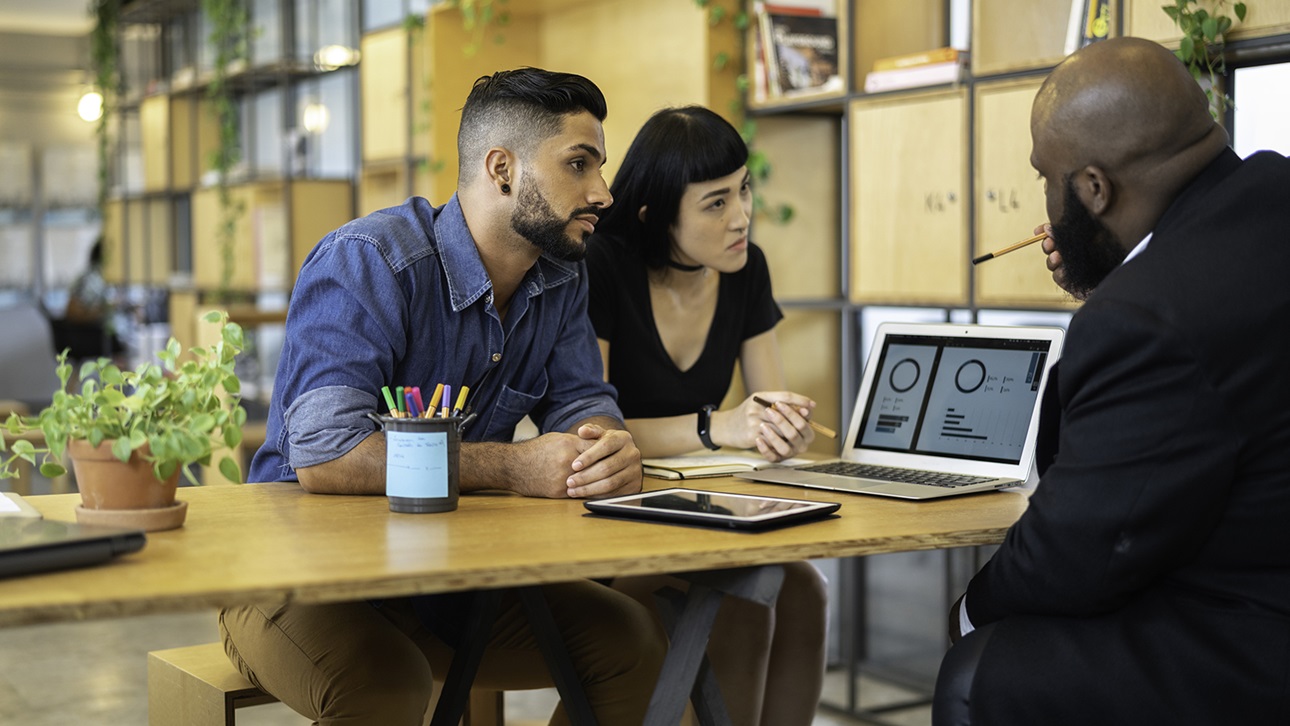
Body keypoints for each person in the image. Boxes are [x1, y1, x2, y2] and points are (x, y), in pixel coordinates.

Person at [219, 68, 667, 726]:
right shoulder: (368, 261)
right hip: (295, 576)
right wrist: (515, 466)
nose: (602, 192)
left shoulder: (561, 276)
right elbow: (327, 454)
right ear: (502, 168)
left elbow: (582, 405)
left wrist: (604, 447)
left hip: (448, 578)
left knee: (631, 643)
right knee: (385, 684)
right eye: (580, 164)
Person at [934, 37, 1290, 725]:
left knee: (981, 669)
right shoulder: (1269, 196)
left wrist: (968, 612)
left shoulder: (1145, 315)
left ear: (1094, 188)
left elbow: (1079, 545)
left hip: (1255, 633)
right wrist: (1113, 276)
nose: (1043, 192)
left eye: (1047, 176)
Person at [586, 105, 827, 726]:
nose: (741, 217)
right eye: (715, 203)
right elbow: (591, 432)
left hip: (707, 504)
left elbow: (766, 407)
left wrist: (781, 428)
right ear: (655, 215)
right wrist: (717, 427)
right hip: (615, 510)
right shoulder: (604, 267)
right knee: (746, 595)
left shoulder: (746, 269)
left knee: (805, 590)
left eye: (743, 190)